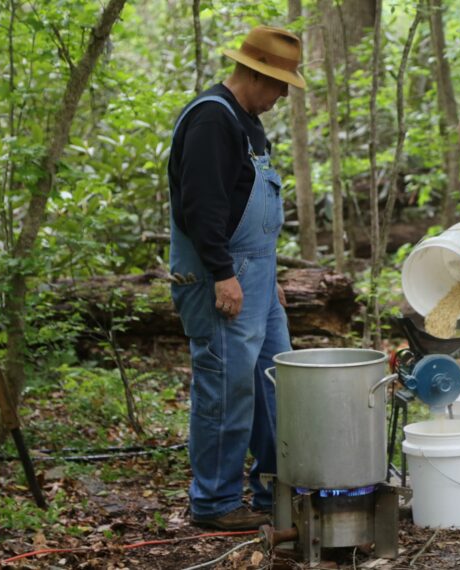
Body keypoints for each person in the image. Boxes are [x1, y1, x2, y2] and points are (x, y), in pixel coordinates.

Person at [167, 26, 306, 531]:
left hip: (255, 280)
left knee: (276, 382)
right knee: (226, 390)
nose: (284, 94)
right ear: (252, 73)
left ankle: (272, 489)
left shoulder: (249, 122)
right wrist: (225, 275)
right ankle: (215, 501)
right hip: (219, 278)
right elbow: (201, 208)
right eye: (278, 82)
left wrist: (268, 277)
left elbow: (252, 208)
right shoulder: (211, 120)